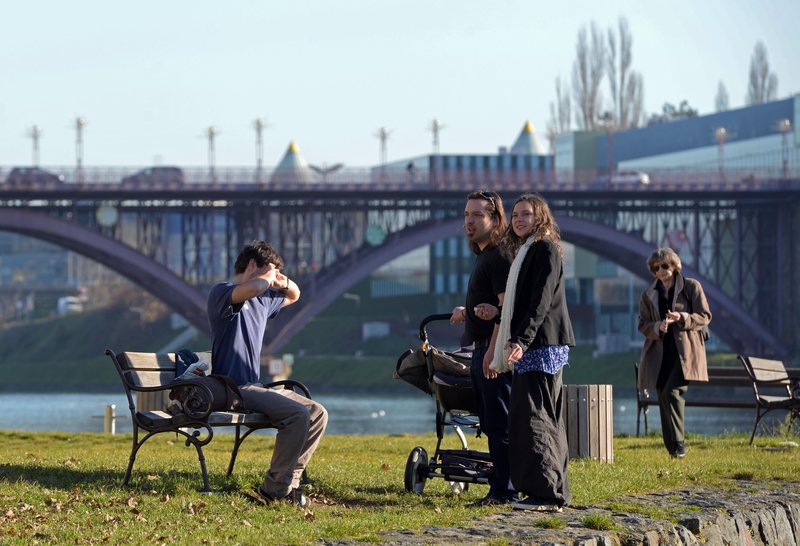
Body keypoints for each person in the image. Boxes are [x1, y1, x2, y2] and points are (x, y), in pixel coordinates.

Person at [207, 240, 328, 507]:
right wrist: (267, 278)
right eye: (270, 271)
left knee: (318, 413)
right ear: (252, 265)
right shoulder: (222, 294)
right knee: (297, 415)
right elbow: (252, 287)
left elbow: (295, 294)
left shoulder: (262, 302)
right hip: (234, 388)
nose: (273, 279)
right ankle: (273, 489)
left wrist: (281, 281)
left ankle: (288, 484)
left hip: (256, 386)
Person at [476, 193, 574, 512]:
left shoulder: (543, 249)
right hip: (537, 342)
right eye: (515, 215)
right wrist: (499, 314)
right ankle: (554, 491)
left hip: (539, 345)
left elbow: (540, 302)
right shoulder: (528, 251)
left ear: (540, 217)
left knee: (534, 419)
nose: (518, 219)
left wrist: (520, 339)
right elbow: (524, 302)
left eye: (526, 215)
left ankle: (544, 494)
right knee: (542, 418)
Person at [448, 190, 515, 506]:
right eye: (466, 215)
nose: (469, 222)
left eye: (477, 215)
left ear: (495, 219)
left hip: (491, 351)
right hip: (482, 348)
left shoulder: (499, 257)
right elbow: (491, 304)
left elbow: (505, 310)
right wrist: (468, 308)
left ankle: (504, 490)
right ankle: (502, 485)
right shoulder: (486, 256)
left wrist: (491, 352)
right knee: (490, 422)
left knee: (499, 423)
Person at [637, 247, 711, 458]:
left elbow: (705, 316)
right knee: (662, 395)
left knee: (672, 392)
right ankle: (672, 448)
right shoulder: (648, 294)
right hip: (660, 353)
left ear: (674, 265)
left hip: (684, 352)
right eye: (656, 267)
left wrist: (683, 318)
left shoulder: (691, 287)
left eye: (665, 265)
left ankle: (678, 443)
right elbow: (642, 324)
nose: (661, 270)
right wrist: (658, 326)